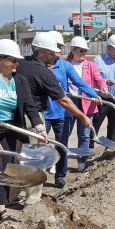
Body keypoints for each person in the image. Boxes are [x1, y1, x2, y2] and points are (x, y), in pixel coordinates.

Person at [0, 39, 45, 229]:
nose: (16, 64)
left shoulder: (20, 81)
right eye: (12, 60)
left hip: (11, 130)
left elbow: (29, 105)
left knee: (6, 171)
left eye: (17, 61)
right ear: (0, 59)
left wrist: (39, 126)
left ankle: (1, 207)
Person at [16, 32, 91, 196]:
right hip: (33, 117)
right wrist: (82, 116)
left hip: (16, 116)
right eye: (51, 53)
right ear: (40, 53)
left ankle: (10, 197)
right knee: (33, 157)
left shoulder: (21, 64)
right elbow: (63, 101)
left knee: (18, 157)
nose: (55, 56)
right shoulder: (43, 72)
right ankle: (33, 201)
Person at [43, 32, 100, 188]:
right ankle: (39, 174)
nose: (58, 51)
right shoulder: (39, 67)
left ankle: (60, 176)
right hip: (44, 113)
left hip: (63, 112)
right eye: (56, 48)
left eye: (60, 48)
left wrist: (94, 95)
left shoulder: (65, 65)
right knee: (38, 144)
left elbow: (80, 83)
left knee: (62, 144)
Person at [65, 36, 109, 172]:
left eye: (85, 51)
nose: (83, 53)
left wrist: (103, 88)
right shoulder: (65, 64)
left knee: (84, 134)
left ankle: (81, 161)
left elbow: (99, 79)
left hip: (86, 103)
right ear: (73, 50)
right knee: (64, 133)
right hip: (69, 103)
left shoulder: (90, 65)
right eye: (80, 50)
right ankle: (61, 161)